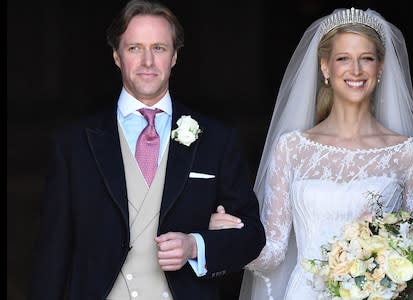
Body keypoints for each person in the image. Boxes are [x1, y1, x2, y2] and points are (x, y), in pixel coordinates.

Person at [28, 0, 265, 299]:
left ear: (175, 56)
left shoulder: (217, 138)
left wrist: (196, 245)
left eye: (159, 48)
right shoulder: (73, 144)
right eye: (134, 48)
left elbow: (253, 235)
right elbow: (52, 254)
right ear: (116, 56)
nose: (148, 62)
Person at [210, 7, 413, 300]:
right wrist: (233, 235)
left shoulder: (407, 155)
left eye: (366, 59)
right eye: (343, 58)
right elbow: (273, 251)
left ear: (380, 68)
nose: (355, 70)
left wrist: (379, 273)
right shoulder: (292, 149)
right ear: (325, 67)